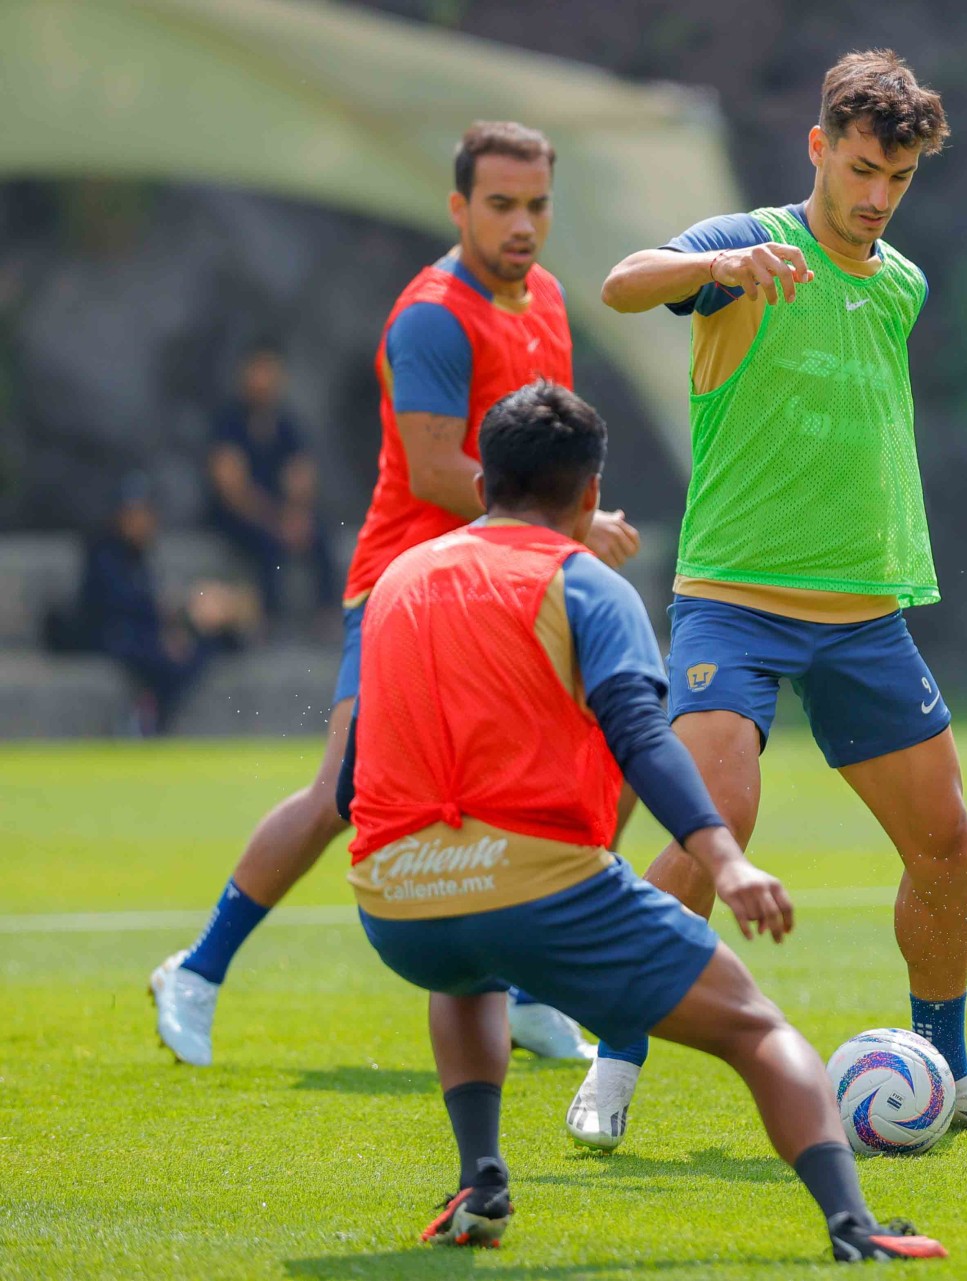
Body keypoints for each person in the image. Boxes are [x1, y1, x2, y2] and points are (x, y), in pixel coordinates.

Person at [336, 381, 946, 1261]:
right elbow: (643, 738)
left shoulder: (398, 578)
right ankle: (856, 1225)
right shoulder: (587, 583)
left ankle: (481, 1178)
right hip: (534, 894)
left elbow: (355, 768)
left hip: (397, 905)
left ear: (481, 485)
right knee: (758, 1028)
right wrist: (725, 860)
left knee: (465, 965)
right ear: (590, 495)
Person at [589, 49, 967, 1142]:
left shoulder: (903, 284)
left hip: (864, 615)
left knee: (950, 849)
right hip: (735, 604)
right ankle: (613, 1058)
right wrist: (725, 264)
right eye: (860, 169)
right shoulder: (745, 246)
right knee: (716, 826)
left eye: (899, 178)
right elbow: (621, 281)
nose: (877, 195)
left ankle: (946, 1069)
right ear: (818, 148)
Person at [150, 121, 641, 1066]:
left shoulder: (546, 297)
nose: (523, 223)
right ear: (458, 207)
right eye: (501, 204)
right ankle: (198, 969)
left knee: (607, 757)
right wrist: (576, 529)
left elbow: (547, 454)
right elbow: (432, 468)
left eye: (538, 204)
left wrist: (567, 529)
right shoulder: (431, 318)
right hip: (407, 586)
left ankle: (535, 992)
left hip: (510, 579)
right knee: (342, 790)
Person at [77, 474, 254, 735]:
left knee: (202, 646)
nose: (142, 522)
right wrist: (173, 611)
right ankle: (144, 716)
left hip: (140, 632)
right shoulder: (103, 552)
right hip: (111, 634)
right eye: (135, 514)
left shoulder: (141, 554)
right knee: (170, 657)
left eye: (146, 514)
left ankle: (151, 713)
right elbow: (116, 605)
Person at [206, 345, 336, 621]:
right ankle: (270, 619)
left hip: (277, 514)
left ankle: (327, 615)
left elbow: (301, 475)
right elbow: (232, 488)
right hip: (237, 515)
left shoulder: (286, 425)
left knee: (320, 537)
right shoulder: (228, 422)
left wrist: (296, 515)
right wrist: (274, 520)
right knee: (267, 545)